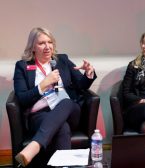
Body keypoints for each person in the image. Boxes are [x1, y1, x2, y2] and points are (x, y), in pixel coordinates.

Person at [13, 27, 96, 167]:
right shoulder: (22, 66)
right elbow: (22, 98)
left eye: (49, 42)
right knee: (62, 128)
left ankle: (35, 145)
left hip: (70, 111)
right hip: (40, 114)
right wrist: (43, 85)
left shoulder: (62, 60)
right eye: (41, 43)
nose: (47, 47)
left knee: (66, 102)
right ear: (32, 47)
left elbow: (81, 85)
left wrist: (88, 74)